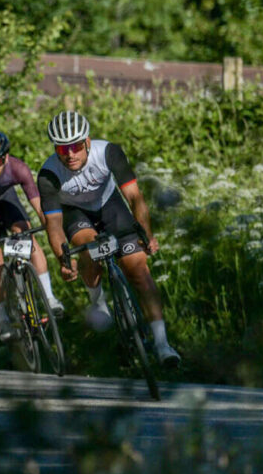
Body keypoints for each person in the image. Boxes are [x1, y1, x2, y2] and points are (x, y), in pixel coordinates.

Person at [36, 110, 181, 367]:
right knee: (88, 246)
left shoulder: (108, 152)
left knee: (139, 272)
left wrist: (146, 234)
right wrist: (63, 259)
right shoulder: (49, 174)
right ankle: (98, 301)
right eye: (62, 149)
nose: (70, 154)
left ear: (87, 142)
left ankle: (162, 345)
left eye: (75, 146)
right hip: (75, 213)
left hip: (109, 205)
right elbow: (54, 224)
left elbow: (134, 197)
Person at [0, 129, 64, 342]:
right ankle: (2, 320)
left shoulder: (18, 168)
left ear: (6, 158)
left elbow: (39, 207)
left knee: (29, 239)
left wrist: (51, 228)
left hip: (7, 202)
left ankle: (49, 297)